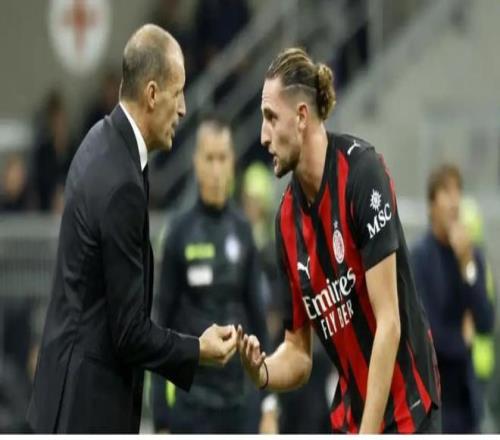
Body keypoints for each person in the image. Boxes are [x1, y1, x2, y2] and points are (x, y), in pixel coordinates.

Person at [26, 24, 238, 434]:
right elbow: (129, 333)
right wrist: (199, 350)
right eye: (178, 93)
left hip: (63, 397)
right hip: (86, 412)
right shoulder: (121, 181)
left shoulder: (100, 141)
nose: (184, 109)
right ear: (153, 94)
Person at [237, 47, 441, 434]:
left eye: (270, 117)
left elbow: (389, 323)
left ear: (301, 117)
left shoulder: (362, 174)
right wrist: (261, 370)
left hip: (409, 412)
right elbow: (298, 354)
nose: (263, 136)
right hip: (353, 416)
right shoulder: (286, 221)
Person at [151, 118, 276, 433]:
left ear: (232, 162)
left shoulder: (243, 231)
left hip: (238, 403)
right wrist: (161, 417)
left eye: (223, 158)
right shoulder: (178, 232)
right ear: (196, 162)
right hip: (190, 403)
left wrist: (269, 405)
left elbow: (258, 319)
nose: (216, 169)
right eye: (209, 158)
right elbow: (161, 322)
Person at [411, 165, 494, 433]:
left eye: (458, 191)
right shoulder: (420, 258)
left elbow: (486, 322)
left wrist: (467, 266)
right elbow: (427, 332)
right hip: (433, 399)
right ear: (431, 205)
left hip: (467, 401)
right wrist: (462, 339)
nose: (455, 201)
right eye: (446, 192)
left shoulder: (471, 255)